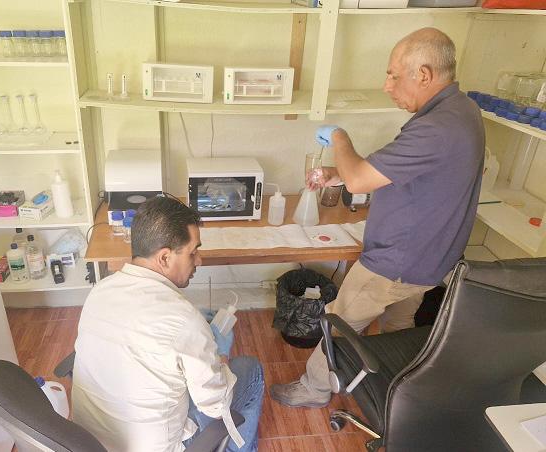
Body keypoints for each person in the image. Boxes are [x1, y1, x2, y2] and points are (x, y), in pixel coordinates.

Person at [270, 27, 485, 408]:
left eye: (393, 75)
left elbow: (360, 179)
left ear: (424, 74)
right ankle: (397, 389)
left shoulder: (437, 127)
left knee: (339, 321)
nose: (387, 86)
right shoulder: (461, 110)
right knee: (399, 326)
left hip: (395, 261)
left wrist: (339, 137)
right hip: (431, 259)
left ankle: (315, 388)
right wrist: (340, 174)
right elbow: (407, 170)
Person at [72, 196, 264, 452]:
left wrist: (195, 340)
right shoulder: (185, 321)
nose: (199, 261)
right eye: (193, 252)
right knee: (250, 369)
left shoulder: (100, 290)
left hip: (90, 443)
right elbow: (216, 406)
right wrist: (220, 355)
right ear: (164, 258)